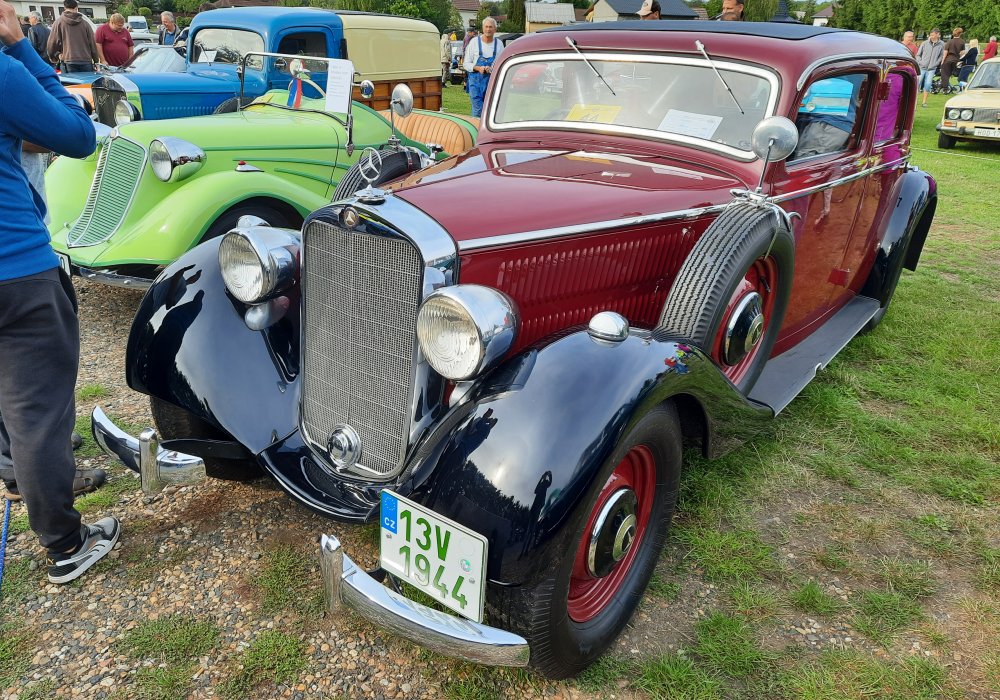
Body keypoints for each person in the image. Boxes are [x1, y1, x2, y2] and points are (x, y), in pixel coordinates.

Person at [0, 0, 121, 585]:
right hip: (15, 266)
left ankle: (14, 471)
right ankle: (65, 545)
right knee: (38, 412)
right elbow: (77, 134)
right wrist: (22, 46)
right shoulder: (3, 70)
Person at [463, 17, 503, 118]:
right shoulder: (474, 42)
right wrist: (478, 68)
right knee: (478, 111)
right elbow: (466, 64)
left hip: (491, 82)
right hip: (475, 83)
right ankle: (477, 132)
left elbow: (501, 64)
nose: (488, 29)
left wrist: (492, 69)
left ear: (495, 29)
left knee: (490, 111)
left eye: (491, 27)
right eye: (486, 27)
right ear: (482, 28)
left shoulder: (499, 44)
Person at [46, 0, 97, 73]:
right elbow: (92, 43)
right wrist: (95, 61)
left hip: (68, 60)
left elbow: (52, 43)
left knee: (72, 84)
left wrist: (55, 56)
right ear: (76, 7)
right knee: (87, 84)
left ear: (64, 7)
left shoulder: (58, 23)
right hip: (86, 60)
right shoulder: (85, 24)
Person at [915, 28, 943, 107]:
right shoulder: (924, 43)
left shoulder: (941, 44)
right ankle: (915, 101)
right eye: (931, 35)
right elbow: (918, 55)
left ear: (937, 35)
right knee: (918, 83)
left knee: (927, 84)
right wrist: (920, 62)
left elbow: (941, 56)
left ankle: (924, 102)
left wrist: (936, 63)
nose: (931, 36)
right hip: (922, 67)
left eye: (933, 35)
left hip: (932, 68)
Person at [939, 27, 964, 93]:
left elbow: (945, 52)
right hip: (956, 60)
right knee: (952, 74)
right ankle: (949, 86)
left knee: (945, 74)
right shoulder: (962, 42)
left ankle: (945, 88)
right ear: (960, 34)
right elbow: (962, 53)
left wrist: (942, 61)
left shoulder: (949, 41)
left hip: (948, 59)